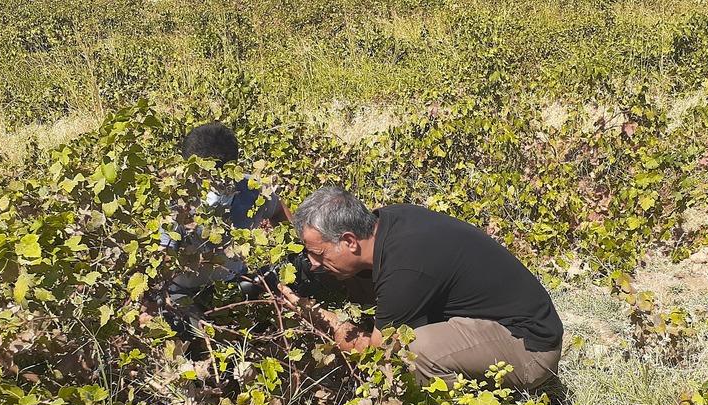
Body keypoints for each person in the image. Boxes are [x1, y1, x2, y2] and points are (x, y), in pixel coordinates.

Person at [279, 186, 563, 390]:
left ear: (350, 241)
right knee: (357, 279)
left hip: (530, 349)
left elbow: (375, 354)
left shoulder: (405, 269)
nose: (313, 263)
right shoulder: (388, 221)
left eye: (319, 254)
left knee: (409, 353)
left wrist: (318, 315)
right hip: (502, 318)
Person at [156, 122, 291, 338]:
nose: (215, 187)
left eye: (223, 180)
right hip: (183, 292)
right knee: (190, 334)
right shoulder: (175, 201)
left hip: (232, 285)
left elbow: (279, 212)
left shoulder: (252, 190)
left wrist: (290, 256)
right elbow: (160, 268)